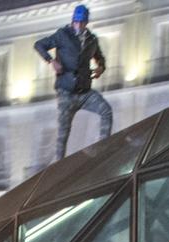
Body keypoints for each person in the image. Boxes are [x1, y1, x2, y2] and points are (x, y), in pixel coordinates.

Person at [35, 5, 112, 161]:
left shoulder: (92, 40)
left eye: (81, 22)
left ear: (86, 22)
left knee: (106, 111)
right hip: (66, 91)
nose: (78, 25)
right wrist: (51, 61)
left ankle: (103, 150)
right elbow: (39, 45)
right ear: (72, 21)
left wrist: (100, 68)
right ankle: (58, 165)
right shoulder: (63, 35)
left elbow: (100, 58)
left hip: (84, 92)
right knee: (63, 132)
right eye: (76, 22)